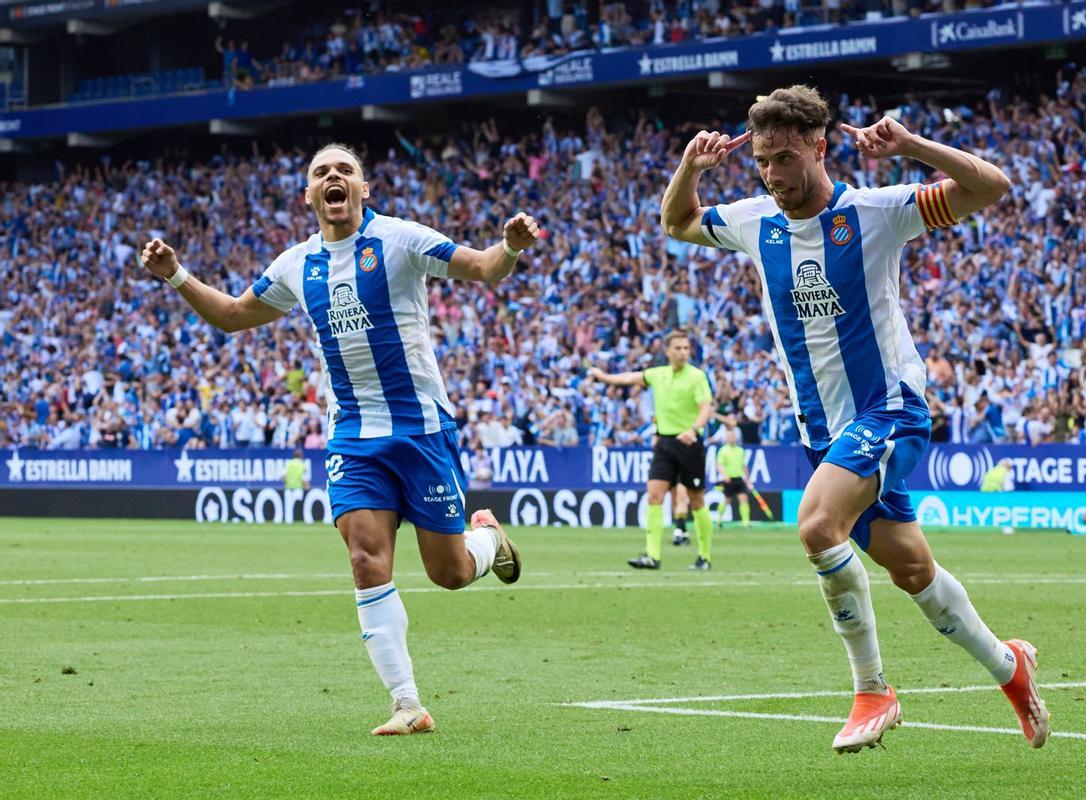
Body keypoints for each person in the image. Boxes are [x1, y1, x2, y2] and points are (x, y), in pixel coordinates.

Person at [659, 85, 1048, 752]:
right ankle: (1011, 669)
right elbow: (678, 222)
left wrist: (914, 147)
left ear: (819, 146)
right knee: (913, 573)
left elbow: (992, 189)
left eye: (785, 158)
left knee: (814, 524)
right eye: (761, 162)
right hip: (826, 432)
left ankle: (873, 689)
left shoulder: (877, 211)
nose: (774, 175)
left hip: (890, 407)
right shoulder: (755, 221)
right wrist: (690, 169)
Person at [140, 142, 538, 736]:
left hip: (420, 428)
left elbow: (481, 267)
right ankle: (407, 703)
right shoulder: (295, 265)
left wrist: (509, 246)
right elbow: (232, 315)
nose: (334, 178)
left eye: (345, 170)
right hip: (352, 435)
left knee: (449, 573)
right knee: (363, 557)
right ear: (308, 195)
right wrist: (175, 274)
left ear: (363, 188)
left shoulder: (401, 239)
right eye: (321, 172)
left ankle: (487, 540)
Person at [589, 331, 715, 570]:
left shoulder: (697, 377)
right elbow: (628, 378)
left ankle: (705, 557)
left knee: (696, 500)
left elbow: (705, 408)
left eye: (686, 348)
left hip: (690, 443)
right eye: (677, 348)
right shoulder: (658, 375)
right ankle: (652, 555)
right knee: (654, 496)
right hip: (665, 443)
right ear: (667, 351)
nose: (682, 352)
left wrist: (694, 430)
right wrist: (603, 376)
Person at [715, 420, 752, 529]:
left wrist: (747, 479)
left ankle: (746, 522)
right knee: (726, 500)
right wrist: (724, 475)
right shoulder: (723, 450)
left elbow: (744, 466)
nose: (731, 438)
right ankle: (719, 519)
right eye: (729, 437)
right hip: (728, 479)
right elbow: (719, 465)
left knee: (744, 499)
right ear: (727, 438)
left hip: (739, 478)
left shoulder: (740, 450)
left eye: (733, 436)